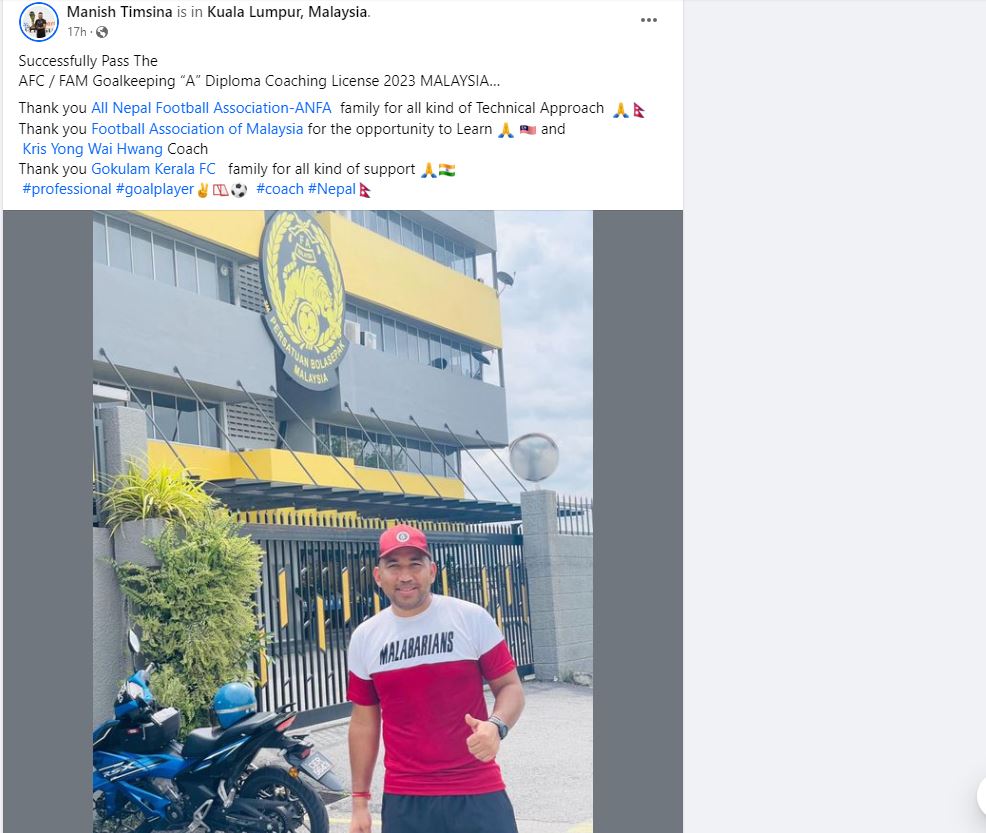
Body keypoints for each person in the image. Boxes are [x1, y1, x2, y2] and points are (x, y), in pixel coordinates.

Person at [347, 524, 525, 833]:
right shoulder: (366, 637)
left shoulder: (471, 618)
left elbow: (510, 687)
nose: (405, 576)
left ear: (432, 571)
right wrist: (360, 802)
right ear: (378, 575)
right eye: (394, 566)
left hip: (477, 788)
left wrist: (496, 726)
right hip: (406, 798)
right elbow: (364, 722)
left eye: (415, 564)